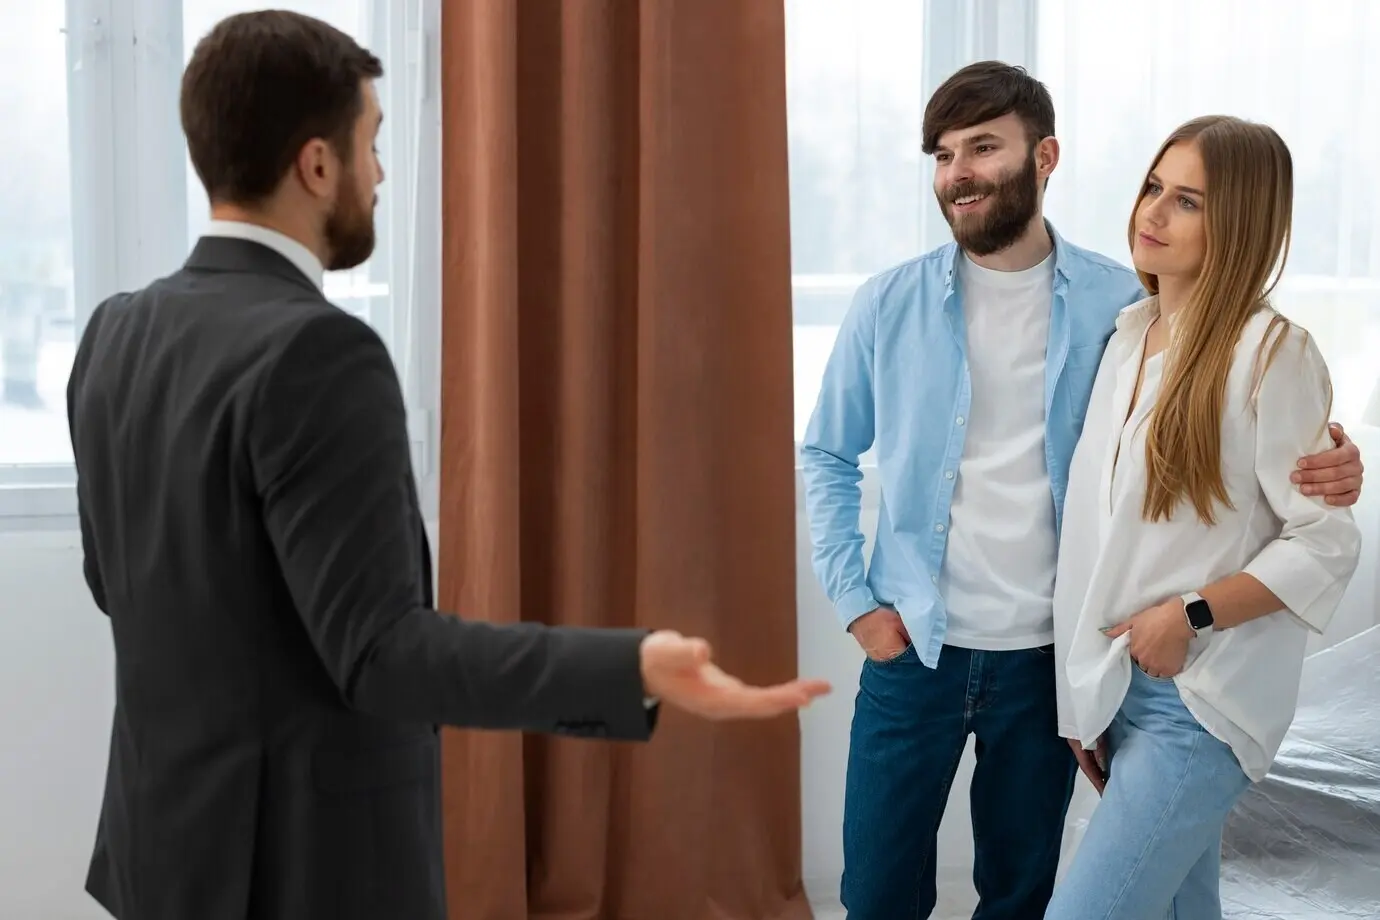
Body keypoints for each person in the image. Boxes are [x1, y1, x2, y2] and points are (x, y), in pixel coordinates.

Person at [66, 12, 829, 920]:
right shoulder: (318, 353)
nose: (381, 174)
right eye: (372, 143)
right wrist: (632, 667)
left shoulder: (115, 332)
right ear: (317, 165)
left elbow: (116, 583)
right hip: (304, 873)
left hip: (163, 856)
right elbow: (383, 654)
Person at [798, 62, 1365, 920]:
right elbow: (828, 454)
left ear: (1045, 155)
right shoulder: (906, 306)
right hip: (924, 647)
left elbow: (1254, 436)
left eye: (984, 146)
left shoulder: (1117, 303)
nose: (959, 173)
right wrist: (854, 601)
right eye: (944, 155)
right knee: (875, 893)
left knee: (1025, 894)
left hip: (1051, 660)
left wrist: (1332, 456)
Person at [1045, 115, 1362, 919]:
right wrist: (1083, 697)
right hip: (1120, 688)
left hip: (1202, 699)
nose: (1153, 212)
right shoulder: (1128, 339)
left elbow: (1324, 541)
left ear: (1239, 223)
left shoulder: (1271, 352)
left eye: (1187, 201)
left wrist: (1189, 614)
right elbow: (1097, 539)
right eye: (1154, 187)